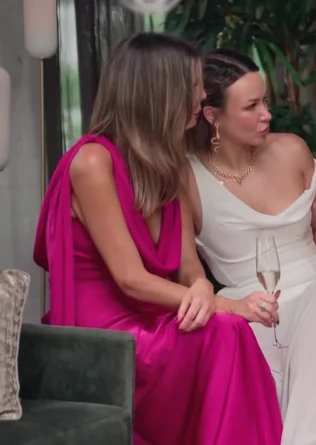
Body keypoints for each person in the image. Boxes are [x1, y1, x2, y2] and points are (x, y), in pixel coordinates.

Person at [33, 33, 283, 445]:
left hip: (157, 318)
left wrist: (202, 287)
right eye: (193, 85)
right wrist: (225, 304)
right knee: (227, 329)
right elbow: (130, 279)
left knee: (227, 332)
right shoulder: (92, 161)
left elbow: (188, 267)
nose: (202, 95)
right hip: (107, 334)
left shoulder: (173, 165)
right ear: (159, 92)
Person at [183, 48, 316, 445]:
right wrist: (227, 306)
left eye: (265, 101)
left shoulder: (292, 149)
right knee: (294, 349)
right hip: (253, 311)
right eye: (252, 106)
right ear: (212, 115)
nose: (266, 114)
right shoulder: (185, 175)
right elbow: (187, 271)